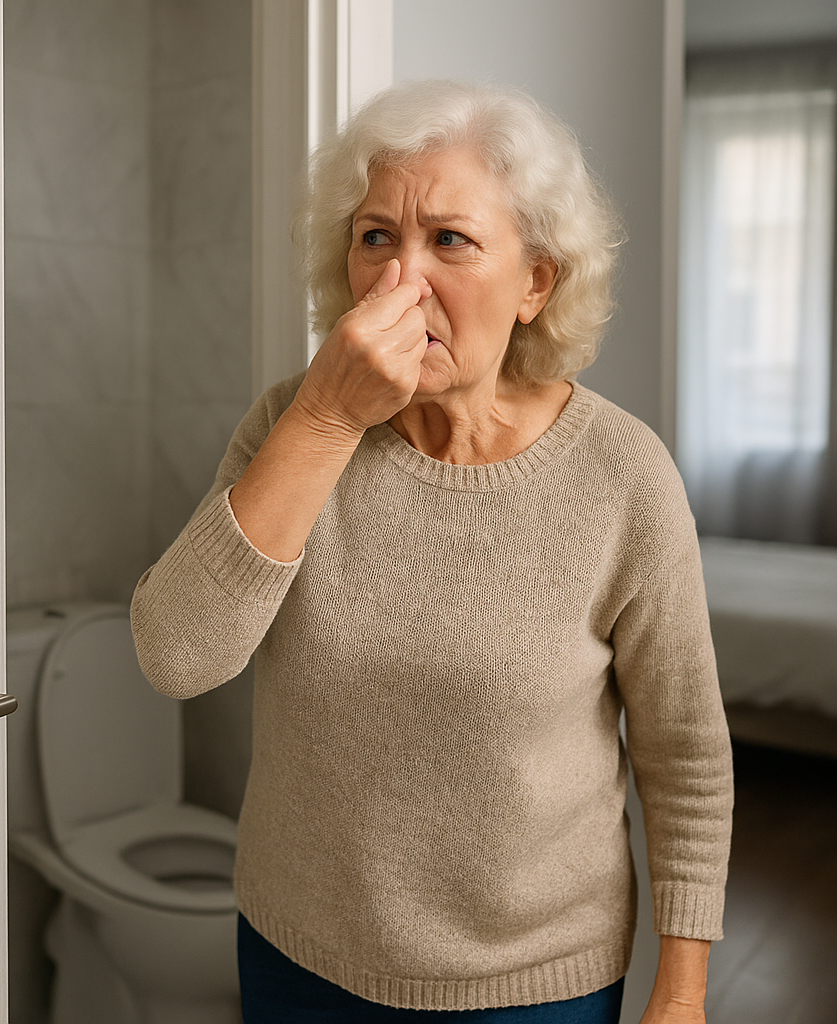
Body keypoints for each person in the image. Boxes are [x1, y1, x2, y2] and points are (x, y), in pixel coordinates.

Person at [131, 80, 733, 1023]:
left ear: (536, 283)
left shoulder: (624, 476)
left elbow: (685, 752)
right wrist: (325, 421)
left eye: (450, 240)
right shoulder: (291, 423)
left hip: (534, 986)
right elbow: (176, 656)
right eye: (375, 237)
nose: (397, 283)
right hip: (297, 956)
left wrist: (683, 993)